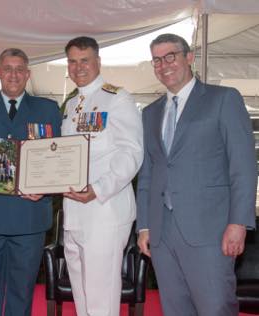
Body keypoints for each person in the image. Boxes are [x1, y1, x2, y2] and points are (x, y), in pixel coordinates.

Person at [136, 33, 257, 316]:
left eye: (171, 56)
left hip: (210, 232)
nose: (164, 65)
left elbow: (243, 166)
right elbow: (148, 172)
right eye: (157, 60)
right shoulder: (150, 113)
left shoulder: (223, 99)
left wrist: (239, 222)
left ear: (189, 57)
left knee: (215, 308)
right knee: (175, 310)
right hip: (162, 234)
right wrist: (144, 225)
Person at [0, 48, 62, 316]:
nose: (13, 74)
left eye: (20, 69)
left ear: (28, 74)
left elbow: (59, 160)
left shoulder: (49, 109)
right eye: (8, 68)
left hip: (29, 216)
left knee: (22, 293)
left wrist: (46, 188)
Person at [61, 36, 143, 316]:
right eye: (72, 61)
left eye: (85, 60)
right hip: (73, 212)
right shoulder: (71, 104)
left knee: (101, 299)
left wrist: (98, 188)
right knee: (82, 297)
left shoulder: (117, 98)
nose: (78, 67)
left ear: (98, 61)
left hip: (104, 210)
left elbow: (131, 153)